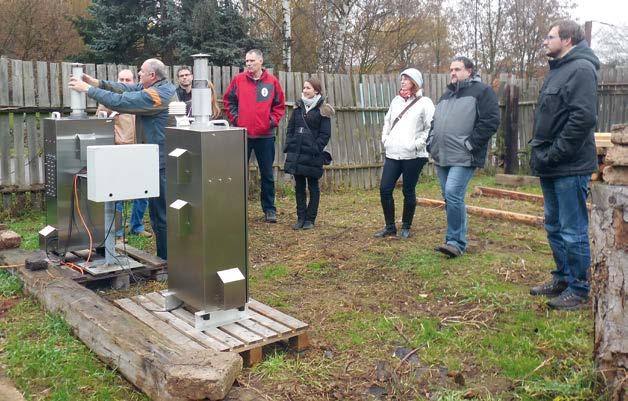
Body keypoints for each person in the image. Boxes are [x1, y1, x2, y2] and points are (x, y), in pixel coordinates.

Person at [69, 58, 176, 260]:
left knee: (161, 214)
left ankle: (167, 260)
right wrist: (96, 83)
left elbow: (123, 101)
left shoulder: (158, 94)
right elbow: (124, 89)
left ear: (152, 75)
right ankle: (166, 257)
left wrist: (88, 90)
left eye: (141, 71)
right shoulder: (154, 86)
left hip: (162, 162)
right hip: (154, 159)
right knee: (156, 212)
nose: (139, 74)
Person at [528, 20, 599, 310]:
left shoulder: (581, 69)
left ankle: (580, 289)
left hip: (568, 165)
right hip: (551, 163)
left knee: (573, 229)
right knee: (554, 226)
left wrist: (555, 153)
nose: (545, 41)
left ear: (567, 39)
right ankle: (563, 277)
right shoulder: (559, 69)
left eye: (550, 36)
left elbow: (582, 118)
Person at [427, 56, 500, 257]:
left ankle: (455, 242)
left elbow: (491, 121)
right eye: (451, 69)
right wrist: (430, 142)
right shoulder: (446, 96)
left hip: (464, 155)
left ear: (469, 71)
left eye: (457, 69)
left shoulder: (482, 92)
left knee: (453, 193)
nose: (452, 73)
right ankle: (454, 238)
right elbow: (435, 123)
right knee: (449, 197)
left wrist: (471, 144)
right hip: (442, 155)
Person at [223, 49, 286, 223]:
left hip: (265, 136)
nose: (248, 64)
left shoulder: (272, 82)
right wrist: (236, 119)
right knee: (238, 173)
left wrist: (271, 121)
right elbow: (228, 101)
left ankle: (269, 209)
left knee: (266, 174)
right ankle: (236, 209)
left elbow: (279, 105)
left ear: (260, 61)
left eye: (251, 60)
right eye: (246, 61)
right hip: (243, 135)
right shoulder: (238, 80)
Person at [374, 68, 434, 239]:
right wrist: (385, 139)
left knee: (408, 190)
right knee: (385, 189)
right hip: (393, 152)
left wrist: (418, 144)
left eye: (407, 79)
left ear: (415, 82)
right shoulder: (396, 101)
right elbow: (387, 121)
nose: (403, 81)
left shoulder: (425, 102)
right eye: (402, 78)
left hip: (414, 156)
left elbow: (431, 126)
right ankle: (390, 227)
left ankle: (406, 226)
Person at [96, 69, 152, 241]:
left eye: (128, 79)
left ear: (133, 81)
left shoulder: (141, 97)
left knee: (144, 191)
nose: (125, 81)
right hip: (118, 150)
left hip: (140, 149)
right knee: (117, 194)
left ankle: (137, 226)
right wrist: (113, 114)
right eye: (122, 79)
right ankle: (118, 232)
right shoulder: (108, 100)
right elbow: (99, 121)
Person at [283, 77, 334, 230]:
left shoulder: (323, 110)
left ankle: (310, 219)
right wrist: (290, 144)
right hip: (297, 154)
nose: (305, 90)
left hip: (312, 156)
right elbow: (290, 129)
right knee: (299, 187)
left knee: (313, 187)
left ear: (316, 91)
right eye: (304, 88)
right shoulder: (298, 107)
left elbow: (325, 134)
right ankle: (301, 218)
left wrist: (315, 148)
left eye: (308, 88)